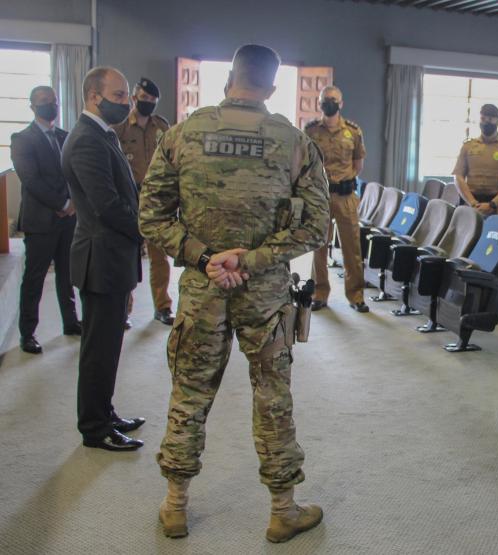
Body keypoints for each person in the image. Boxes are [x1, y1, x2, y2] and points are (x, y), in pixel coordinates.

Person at [140, 44, 330, 542]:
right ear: (271, 87)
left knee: (189, 392)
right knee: (272, 394)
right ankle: (283, 510)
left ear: (230, 79)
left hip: (202, 288)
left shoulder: (181, 136)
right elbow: (316, 227)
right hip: (265, 296)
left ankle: (175, 506)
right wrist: (251, 260)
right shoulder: (295, 143)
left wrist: (207, 257)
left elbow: (151, 217)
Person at [61, 67, 146, 451]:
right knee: (99, 349)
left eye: (127, 95)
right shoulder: (86, 140)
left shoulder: (101, 134)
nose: (127, 102)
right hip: (101, 259)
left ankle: (104, 411)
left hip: (112, 256)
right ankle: (94, 428)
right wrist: (146, 228)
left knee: (108, 346)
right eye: (119, 95)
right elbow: (107, 206)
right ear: (94, 97)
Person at [11, 85, 80, 354]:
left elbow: (74, 173)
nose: (50, 105)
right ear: (32, 107)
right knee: (35, 278)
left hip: (68, 219)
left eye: (53, 101)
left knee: (67, 274)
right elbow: (31, 180)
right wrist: (62, 204)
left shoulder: (65, 136)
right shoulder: (22, 139)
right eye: (43, 101)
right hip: (40, 220)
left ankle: (70, 322)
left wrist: (72, 203)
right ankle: (27, 333)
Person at [113, 77, 174, 325]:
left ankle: (162, 307)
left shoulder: (162, 126)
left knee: (159, 257)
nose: (147, 102)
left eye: (152, 100)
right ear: (134, 98)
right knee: (128, 257)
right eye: (144, 98)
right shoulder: (120, 127)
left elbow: (172, 159)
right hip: (129, 198)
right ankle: (124, 309)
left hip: (156, 200)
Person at [305, 85, 369, 313]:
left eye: (333, 99)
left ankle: (356, 295)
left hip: (345, 196)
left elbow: (358, 164)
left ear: (341, 104)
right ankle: (319, 293)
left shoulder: (353, 131)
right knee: (319, 247)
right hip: (320, 196)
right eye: (325, 99)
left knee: (352, 248)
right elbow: (305, 162)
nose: (329, 102)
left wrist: (343, 180)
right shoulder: (311, 130)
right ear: (319, 103)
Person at [453, 104, 498, 217]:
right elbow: (458, 177)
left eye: (490, 119)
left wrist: (492, 204)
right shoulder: (468, 146)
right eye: (483, 118)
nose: (486, 122)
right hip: (470, 205)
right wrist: (472, 203)